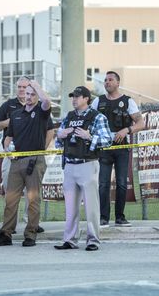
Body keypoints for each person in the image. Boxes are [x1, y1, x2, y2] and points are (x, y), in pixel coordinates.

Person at [0, 80, 51, 247]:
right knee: (11, 199)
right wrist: (7, 149)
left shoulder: (41, 112)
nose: (29, 96)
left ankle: (30, 234)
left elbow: (47, 102)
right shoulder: (16, 114)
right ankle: (6, 234)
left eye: (32, 94)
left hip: (35, 160)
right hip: (16, 161)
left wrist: (36, 85)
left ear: (37, 95)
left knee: (32, 199)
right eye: (27, 94)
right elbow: (9, 136)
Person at [54, 86, 112, 251]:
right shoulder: (69, 117)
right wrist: (60, 135)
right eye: (73, 97)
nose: (74, 99)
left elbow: (107, 140)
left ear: (87, 99)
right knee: (70, 207)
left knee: (91, 206)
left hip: (88, 164)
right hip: (70, 165)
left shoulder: (97, 117)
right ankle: (70, 240)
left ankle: (93, 240)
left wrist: (90, 137)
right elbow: (59, 141)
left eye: (78, 97)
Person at [91, 71, 145, 227]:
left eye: (110, 79)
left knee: (121, 183)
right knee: (103, 184)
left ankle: (120, 217)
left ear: (117, 83)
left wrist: (126, 130)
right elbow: (89, 121)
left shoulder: (128, 101)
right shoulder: (98, 102)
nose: (107, 82)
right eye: (105, 80)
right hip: (103, 148)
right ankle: (103, 218)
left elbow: (141, 124)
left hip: (121, 148)